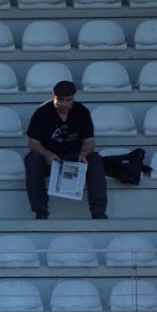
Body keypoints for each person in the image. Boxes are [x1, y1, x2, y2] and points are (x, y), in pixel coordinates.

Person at [24, 80, 107, 221]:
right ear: (53, 96)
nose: (64, 104)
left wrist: (84, 153)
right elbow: (33, 144)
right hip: (50, 159)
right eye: (60, 100)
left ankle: (98, 212)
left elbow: (89, 141)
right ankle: (41, 212)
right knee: (32, 160)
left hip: (74, 157)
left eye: (69, 100)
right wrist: (47, 154)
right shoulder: (42, 112)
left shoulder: (81, 111)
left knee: (95, 159)